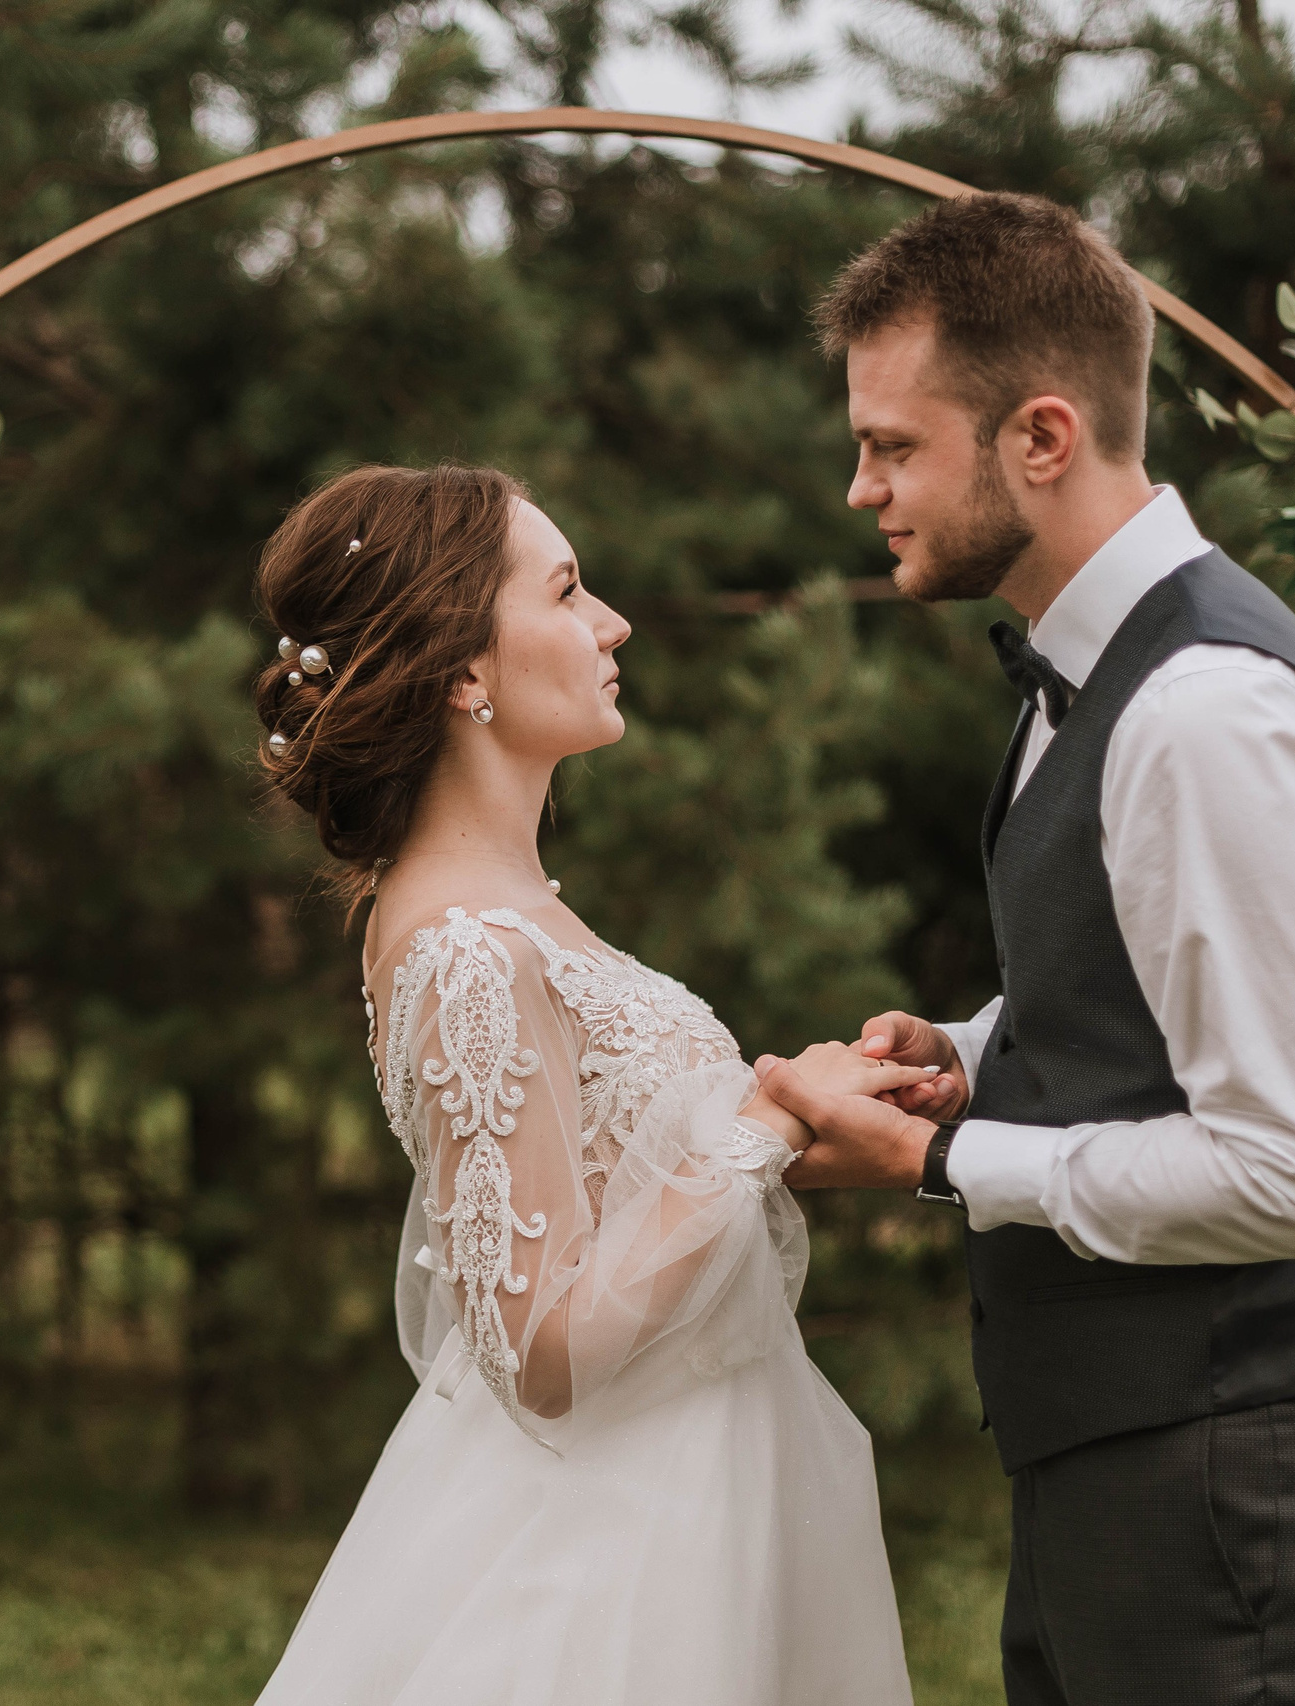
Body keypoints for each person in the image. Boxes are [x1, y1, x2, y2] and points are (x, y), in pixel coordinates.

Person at [754, 191, 1295, 1706]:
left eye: (892, 444)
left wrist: (945, 1166)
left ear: (1042, 438)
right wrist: (974, 1056)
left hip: (1241, 1478)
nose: (860, 485)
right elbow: (1150, 982)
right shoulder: (1092, 675)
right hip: (1135, 1465)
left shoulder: (1203, 715)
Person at [247, 462, 917, 1706]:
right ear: (463, 672)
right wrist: (763, 1120)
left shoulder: (516, 915)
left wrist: (810, 1115)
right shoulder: (464, 950)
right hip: (616, 1546)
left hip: (710, 1483)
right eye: (566, 590)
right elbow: (540, 1349)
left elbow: (623, 1187)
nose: (611, 622)